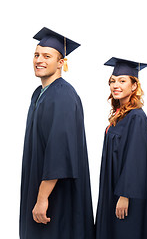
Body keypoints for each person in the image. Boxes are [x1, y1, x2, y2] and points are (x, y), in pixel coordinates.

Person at [20, 27, 94, 239]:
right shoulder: (40, 93)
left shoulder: (62, 95)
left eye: (47, 56)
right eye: (36, 55)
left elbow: (58, 151)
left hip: (55, 197)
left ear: (61, 63)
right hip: (40, 188)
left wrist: (42, 199)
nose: (39, 60)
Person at [95, 57, 147, 239]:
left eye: (122, 81)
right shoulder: (120, 115)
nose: (116, 85)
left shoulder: (136, 117)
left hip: (128, 195)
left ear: (133, 86)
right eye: (113, 81)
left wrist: (124, 195)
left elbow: (135, 159)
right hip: (114, 189)